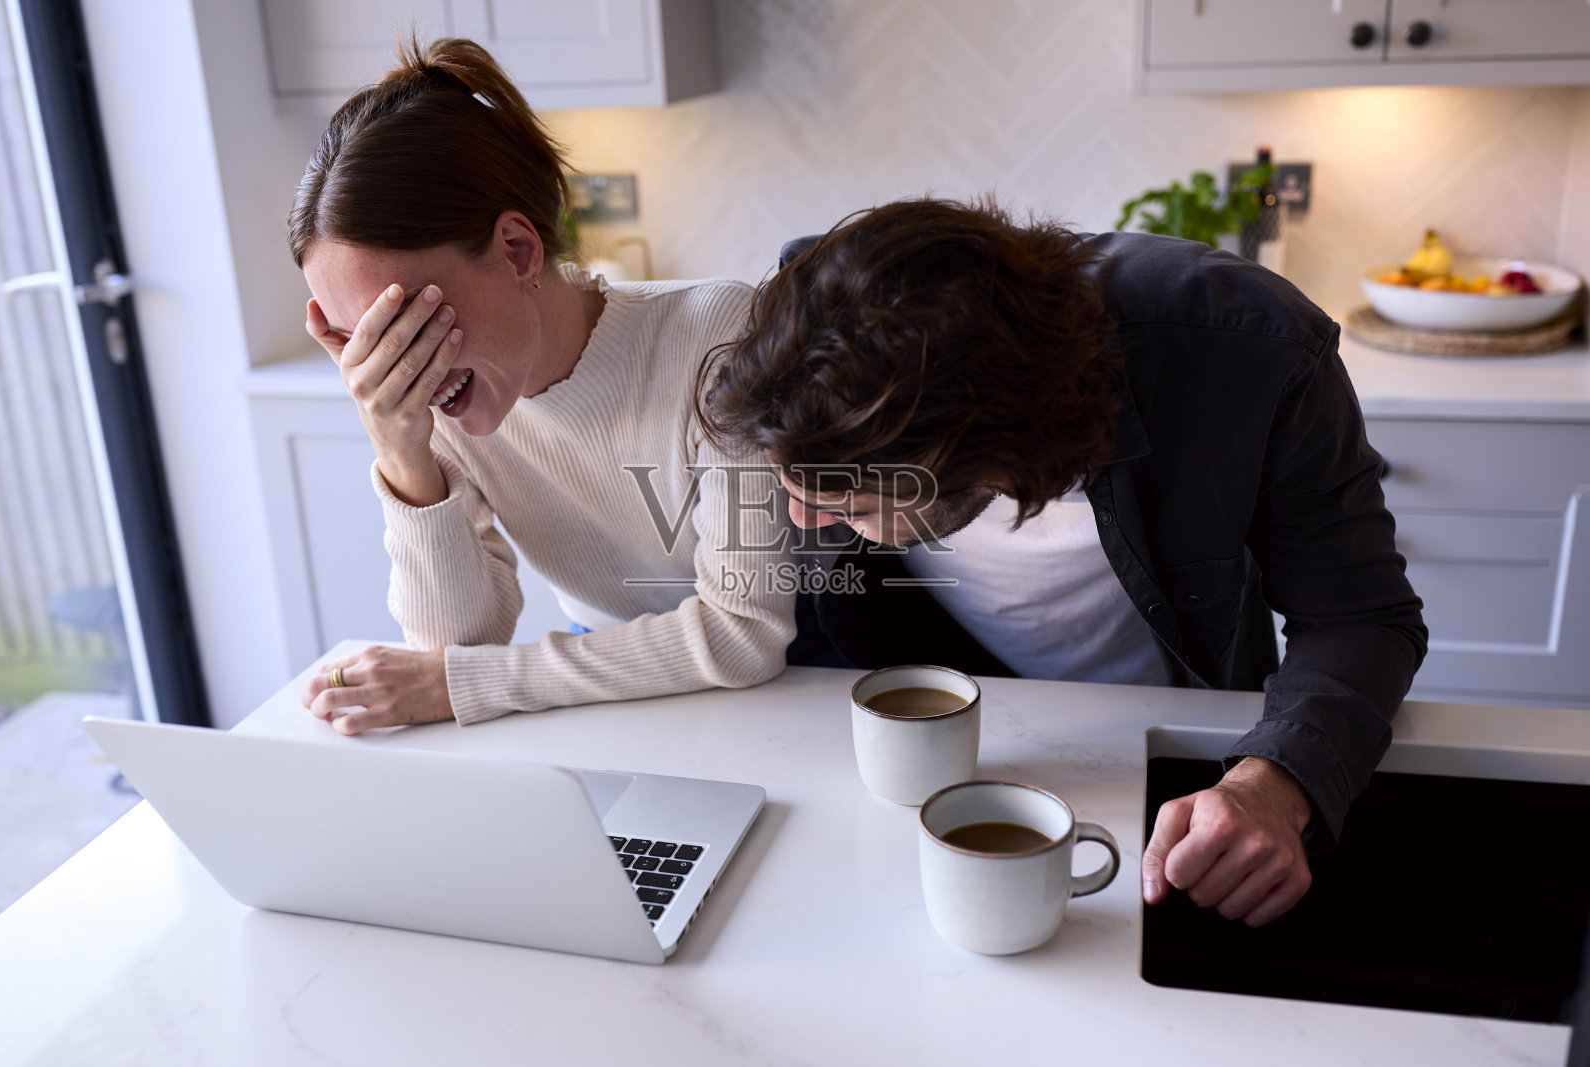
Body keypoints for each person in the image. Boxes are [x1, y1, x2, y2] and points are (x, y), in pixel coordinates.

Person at [699, 198, 1427, 927]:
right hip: (926, 754)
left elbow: (1361, 616)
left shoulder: (1250, 347)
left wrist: (1274, 784)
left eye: (851, 509)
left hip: (1164, 759)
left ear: (989, 466)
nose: (801, 522)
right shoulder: (806, 341)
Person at [288, 36, 794, 734]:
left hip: (784, 702)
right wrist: (403, 457)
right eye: (359, 341)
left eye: (404, 325)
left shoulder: (715, 334)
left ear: (518, 250)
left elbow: (743, 632)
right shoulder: (439, 404)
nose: (394, 372)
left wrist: (473, 683)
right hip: (601, 698)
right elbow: (455, 652)